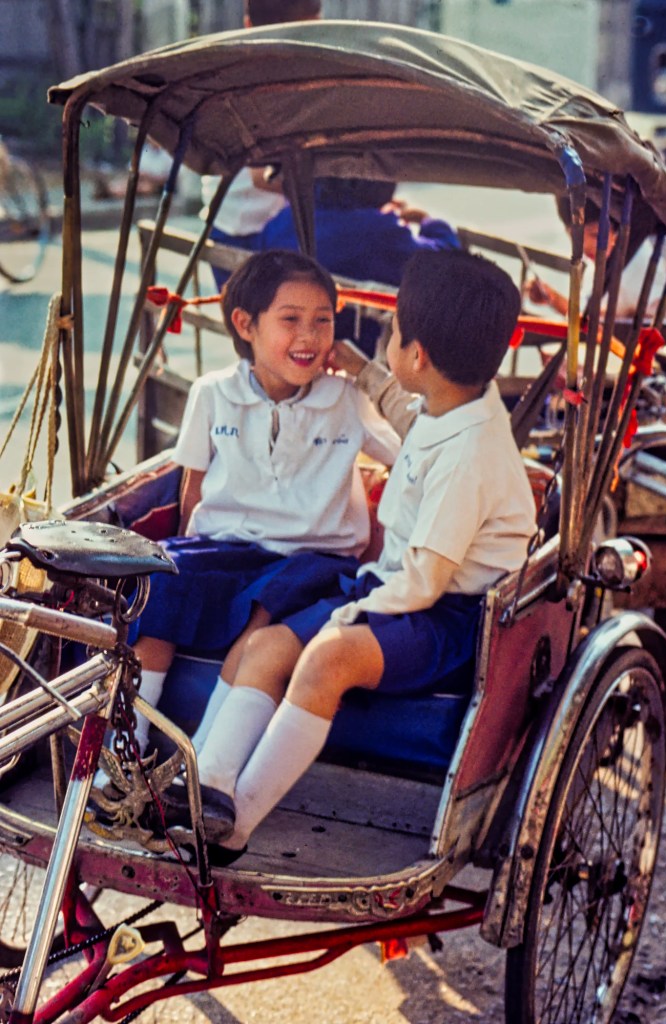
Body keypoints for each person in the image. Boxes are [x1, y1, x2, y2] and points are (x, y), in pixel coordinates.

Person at [163, 249, 537, 856]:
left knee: (325, 658)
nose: (385, 345)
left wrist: (345, 614)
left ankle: (236, 825)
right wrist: (364, 370)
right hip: (393, 587)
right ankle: (206, 784)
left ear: (416, 355)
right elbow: (405, 411)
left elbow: (424, 581)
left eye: (392, 334)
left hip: (444, 614)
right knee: (266, 646)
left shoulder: (470, 458)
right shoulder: (452, 405)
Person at [97, 250, 400, 785]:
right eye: (291, 319)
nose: (309, 336)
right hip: (228, 545)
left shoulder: (346, 398)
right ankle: (123, 755)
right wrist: (186, 562)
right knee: (160, 585)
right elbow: (192, 490)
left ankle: (196, 766)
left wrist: (363, 370)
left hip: (314, 557)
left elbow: (410, 453)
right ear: (245, 324)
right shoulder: (213, 392)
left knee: (268, 606)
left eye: (322, 321)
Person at [258, 176, 462, 355]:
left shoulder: (286, 220)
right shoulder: (381, 233)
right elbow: (443, 262)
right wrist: (430, 223)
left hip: (296, 343)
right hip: (361, 351)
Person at [200, 0, 322, 288]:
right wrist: (336, 195)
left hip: (235, 218)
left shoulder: (238, 70)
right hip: (250, 229)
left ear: (248, 24)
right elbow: (263, 177)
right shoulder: (267, 80)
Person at [526, 197, 666, 321]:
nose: (585, 246)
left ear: (616, 230)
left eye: (595, 235)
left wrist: (630, 320)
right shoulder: (599, 260)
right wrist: (552, 298)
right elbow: (588, 318)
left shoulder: (637, 262)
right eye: (576, 237)